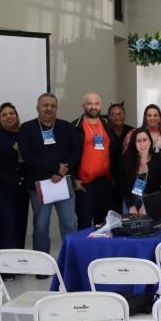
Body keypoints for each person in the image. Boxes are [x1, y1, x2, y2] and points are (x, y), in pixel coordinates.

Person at [18, 92, 78, 256]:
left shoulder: (66, 127)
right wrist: (55, 168)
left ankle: (70, 260)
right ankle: (42, 263)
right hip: (39, 185)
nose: (49, 108)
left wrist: (61, 171)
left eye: (53, 105)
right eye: (45, 105)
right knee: (41, 226)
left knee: (69, 224)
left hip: (63, 182)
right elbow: (28, 156)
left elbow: (75, 152)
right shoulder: (26, 128)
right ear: (38, 107)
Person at [0, 103, 29, 260]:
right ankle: (5, 267)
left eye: (12, 113)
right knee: (5, 227)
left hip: (22, 189)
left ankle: (17, 262)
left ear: (17, 116)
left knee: (20, 225)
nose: (9, 116)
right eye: (4, 114)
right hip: (2, 190)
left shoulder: (24, 135)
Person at [72, 92, 112, 229]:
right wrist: (73, 178)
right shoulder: (75, 127)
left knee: (103, 222)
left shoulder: (107, 124)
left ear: (101, 106)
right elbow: (68, 154)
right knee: (84, 221)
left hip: (104, 181)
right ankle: (84, 251)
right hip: (84, 183)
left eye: (96, 103)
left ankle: (100, 251)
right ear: (83, 106)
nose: (93, 107)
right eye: (89, 103)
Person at [120, 128, 161, 214]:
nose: (142, 144)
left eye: (145, 140)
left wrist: (146, 205)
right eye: (138, 141)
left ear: (150, 142)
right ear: (134, 143)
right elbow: (123, 185)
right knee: (130, 226)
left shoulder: (158, 159)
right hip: (130, 199)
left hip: (151, 199)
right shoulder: (127, 160)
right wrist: (131, 206)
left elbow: (160, 186)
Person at [106, 102, 134, 213]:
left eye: (119, 114)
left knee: (127, 209)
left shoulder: (132, 132)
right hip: (109, 179)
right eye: (113, 114)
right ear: (108, 117)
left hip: (128, 178)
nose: (116, 117)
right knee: (111, 210)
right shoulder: (104, 132)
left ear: (124, 115)